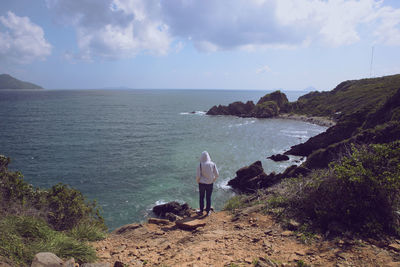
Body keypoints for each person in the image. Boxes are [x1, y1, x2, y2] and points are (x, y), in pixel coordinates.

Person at [196, 151, 219, 216]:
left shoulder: (200, 164)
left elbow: (198, 176)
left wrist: (198, 181)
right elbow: (217, 175)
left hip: (201, 184)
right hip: (210, 183)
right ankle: (208, 211)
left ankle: (201, 211)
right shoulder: (213, 164)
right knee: (208, 197)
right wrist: (213, 180)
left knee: (201, 197)